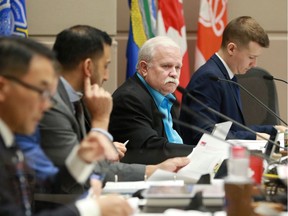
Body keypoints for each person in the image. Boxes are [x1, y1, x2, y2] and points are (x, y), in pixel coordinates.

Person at [20, 25, 189, 194]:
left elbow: (87, 160)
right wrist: (101, 122)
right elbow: (78, 174)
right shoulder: (52, 105)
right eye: (105, 66)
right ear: (88, 67)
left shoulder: (80, 98)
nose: (107, 76)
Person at [0, 36, 133, 216]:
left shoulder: (9, 141)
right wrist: (91, 210)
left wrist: (80, 160)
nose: (47, 105)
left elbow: (43, 188)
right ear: (2, 88)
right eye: (42, 91)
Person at [180, 16, 287, 145]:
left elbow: (233, 130)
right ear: (231, 49)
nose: (254, 64)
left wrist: (273, 130)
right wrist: (255, 137)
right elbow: (205, 135)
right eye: (251, 57)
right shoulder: (209, 78)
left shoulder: (226, 74)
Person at [109, 36, 194, 165]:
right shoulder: (129, 98)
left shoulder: (167, 96)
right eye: (166, 66)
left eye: (177, 67)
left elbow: (173, 141)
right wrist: (198, 152)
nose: (174, 74)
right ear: (144, 68)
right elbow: (150, 148)